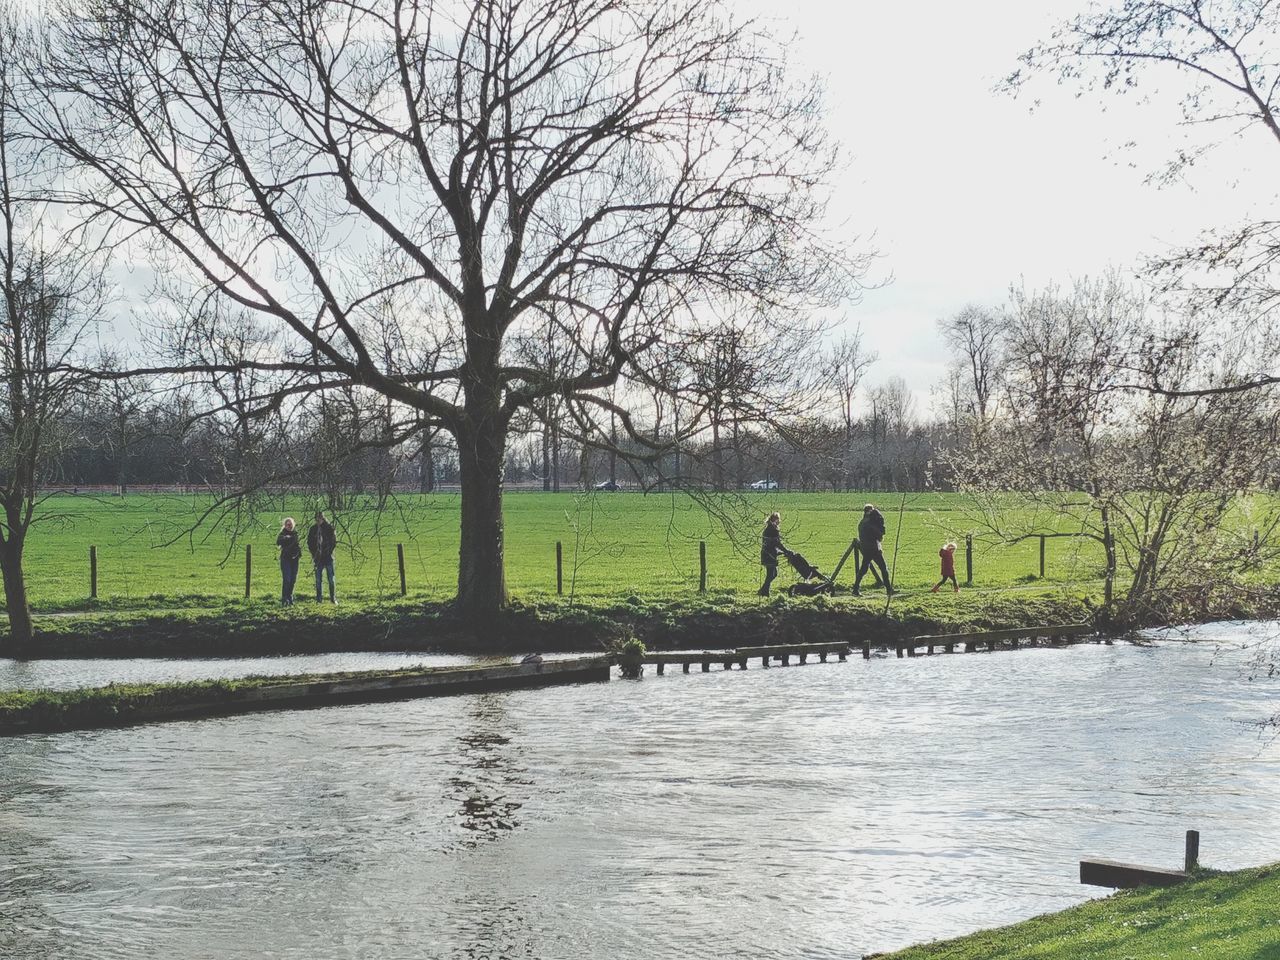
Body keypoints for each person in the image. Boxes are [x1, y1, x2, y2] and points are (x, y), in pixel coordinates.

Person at [852, 503, 893, 596]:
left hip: (866, 548)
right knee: (883, 568)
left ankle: (855, 588)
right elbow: (879, 534)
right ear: (869, 511)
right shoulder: (870, 523)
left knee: (863, 569)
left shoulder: (862, 523)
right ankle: (889, 589)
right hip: (873, 549)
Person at [307, 510, 337, 603]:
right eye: (317, 519)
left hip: (328, 557)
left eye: (320, 518)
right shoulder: (313, 529)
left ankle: (333, 598)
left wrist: (328, 551)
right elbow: (310, 543)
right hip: (318, 557)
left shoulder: (329, 528)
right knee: (318, 580)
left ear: (323, 518)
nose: (318, 520)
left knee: (331, 579)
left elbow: (333, 541)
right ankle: (319, 599)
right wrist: (314, 553)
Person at [758, 511, 788, 597]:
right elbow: (777, 543)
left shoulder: (768, 529)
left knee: (773, 574)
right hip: (769, 555)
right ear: (774, 520)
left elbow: (772, 543)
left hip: (767, 553)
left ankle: (763, 590)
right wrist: (786, 551)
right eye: (778, 519)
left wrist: (780, 551)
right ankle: (765, 592)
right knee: (771, 574)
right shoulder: (773, 530)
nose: (779, 521)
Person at [276, 517, 302, 606]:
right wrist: (287, 538)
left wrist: (288, 539)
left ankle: (289, 596)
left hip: (295, 559)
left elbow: (295, 542)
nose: (289, 526)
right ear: (285, 525)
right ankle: (284, 598)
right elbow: (278, 541)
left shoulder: (295, 533)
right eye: (287, 524)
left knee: (293, 579)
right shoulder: (282, 533)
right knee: (287, 579)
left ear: (293, 525)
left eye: (290, 524)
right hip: (285, 559)